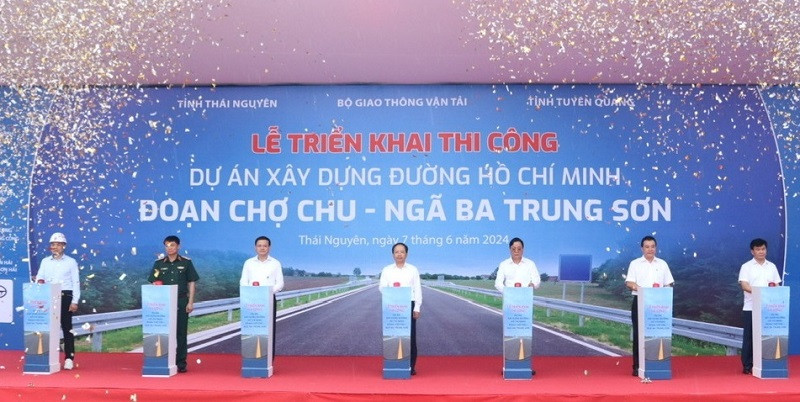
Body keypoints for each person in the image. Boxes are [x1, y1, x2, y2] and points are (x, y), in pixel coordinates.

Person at [147, 235, 199, 373]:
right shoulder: (159, 264)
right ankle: (163, 359)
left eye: (172, 245)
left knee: (181, 333)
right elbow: (153, 281)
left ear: (178, 246)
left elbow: (192, 282)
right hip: (163, 303)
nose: (169, 248)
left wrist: (190, 302)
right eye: (167, 245)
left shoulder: (186, 263)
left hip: (181, 301)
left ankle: (181, 362)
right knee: (163, 332)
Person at [625, 235, 674, 376]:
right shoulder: (635, 264)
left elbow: (669, 283)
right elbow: (629, 283)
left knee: (657, 335)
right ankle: (638, 366)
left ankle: (657, 365)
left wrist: (664, 291)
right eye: (647, 247)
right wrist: (641, 289)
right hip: (640, 302)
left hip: (659, 304)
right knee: (639, 335)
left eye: (652, 246)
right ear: (642, 248)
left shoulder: (662, 264)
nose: (650, 249)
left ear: (656, 248)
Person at [494, 237, 541, 375]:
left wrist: (532, 285)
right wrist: (508, 292)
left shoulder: (530, 264)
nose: (516, 251)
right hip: (510, 304)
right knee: (511, 335)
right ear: (510, 249)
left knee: (525, 334)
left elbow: (537, 280)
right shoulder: (504, 264)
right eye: (514, 249)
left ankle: (525, 366)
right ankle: (510, 366)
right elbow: (498, 283)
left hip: (525, 304)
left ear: (523, 249)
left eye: (519, 249)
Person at [35, 232, 80, 370]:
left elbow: (76, 282)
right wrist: (39, 281)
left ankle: (69, 358)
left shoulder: (71, 262)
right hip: (48, 295)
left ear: (63, 246)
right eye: (53, 244)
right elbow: (40, 277)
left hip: (65, 295)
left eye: (58, 244)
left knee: (67, 328)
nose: (55, 247)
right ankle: (47, 356)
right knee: (47, 327)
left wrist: (75, 301)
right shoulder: (45, 261)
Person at [738, 238, 781, 374]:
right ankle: (747, 365)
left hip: (769, 309)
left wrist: (772, 294)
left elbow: (777, 285)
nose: (761, 251)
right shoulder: (746, 266)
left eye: (763, 249)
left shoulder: (772, 266)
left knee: (768, 336)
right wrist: (761, 293)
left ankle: (767, 363)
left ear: (766, 250)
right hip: (751, 307)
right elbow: (744, 285)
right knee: (749, 338)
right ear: (752, 251)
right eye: (758, 249)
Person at [378, 242, 422, 375]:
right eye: (396, 252)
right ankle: (394, 365)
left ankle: (410, 367)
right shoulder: (387, 270)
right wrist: (394, 292)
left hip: (409, 305)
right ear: (393, 254)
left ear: (406, 254)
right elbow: (381, 287)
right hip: (392, 305)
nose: (399, 254)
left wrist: (417, 307)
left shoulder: (413, 270)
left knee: (410, 337)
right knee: (393, 336)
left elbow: (417, 288)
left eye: (402, 252)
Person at [240, 236, 284, 359]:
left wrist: (268, 292)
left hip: (268, 300)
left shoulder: (275, 263)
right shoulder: (248, 263)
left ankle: (268, 359)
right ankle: (252, 358)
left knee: (269, 331)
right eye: (259, 246)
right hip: (251, 301)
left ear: (269, 247)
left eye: (265, 246)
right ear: (255, 247)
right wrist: (252, 292)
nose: (262, 248)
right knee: (253, 330)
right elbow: (243, 281)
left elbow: (280, 283)